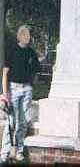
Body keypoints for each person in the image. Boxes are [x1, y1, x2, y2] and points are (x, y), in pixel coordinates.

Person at [0, 25, 40, 162]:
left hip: (26, 89)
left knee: (23, 122)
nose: (26, 37)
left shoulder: (31, 53)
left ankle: (19, 150)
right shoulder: (12, 51)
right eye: (23, 34)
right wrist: (5, 95)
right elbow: (5, 74)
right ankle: (5, 153)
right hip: (14, 88)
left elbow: (36, 71)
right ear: (18, 36)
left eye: (28, 34)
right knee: (12, 121)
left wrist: (30, 85)